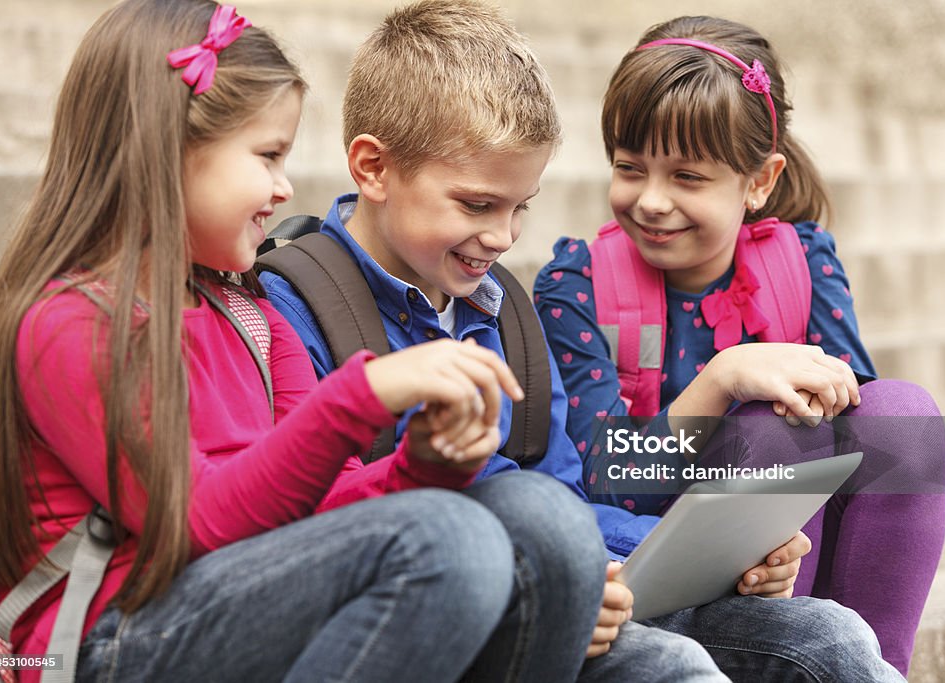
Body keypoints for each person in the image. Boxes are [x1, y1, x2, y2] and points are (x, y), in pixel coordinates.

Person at [261, 2, 905, 681]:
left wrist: (692, 558)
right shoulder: (298, 305)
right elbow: (315, 518)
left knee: (830, 639)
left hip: (590, 578)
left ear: (759, 184)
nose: (505, 237)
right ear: (372, 168)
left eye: (521, 207)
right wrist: (560, 567)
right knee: (674, 669)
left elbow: (563, 492)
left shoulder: (501, 305)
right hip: (444, 607)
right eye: (479, 205)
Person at [0, 2, 614, 681]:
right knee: (447, 540)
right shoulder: (66, 321)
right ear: (166, 150)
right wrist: (363, 393)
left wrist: (427, 465)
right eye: (268, 156)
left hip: (237, 592)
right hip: (103, 638)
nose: (285, 187)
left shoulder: (252, 315)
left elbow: (321, 504)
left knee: (539, 516)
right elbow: (191, 522)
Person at [533, 15, 945, 677]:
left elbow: (864, 432)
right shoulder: (577, 286)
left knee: (902, 416)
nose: (651, 200)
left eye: (688, 177)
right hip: (663, 579)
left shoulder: (804, 260)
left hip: (789, 564)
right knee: (765, 425)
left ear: (759, 181)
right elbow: (597, 474)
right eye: (629, 168)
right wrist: (723, 377)